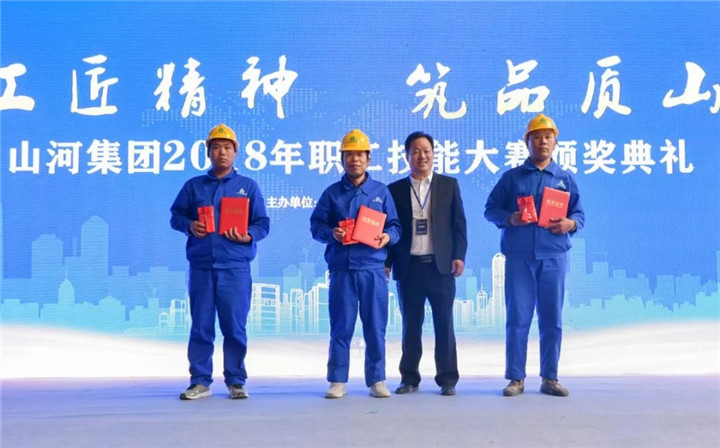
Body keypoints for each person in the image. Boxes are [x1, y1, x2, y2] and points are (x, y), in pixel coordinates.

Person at [484, 113, 584, 397]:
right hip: (519, 258)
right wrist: (510, 218)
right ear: (527, 142)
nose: (542, 142)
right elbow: (491, 209)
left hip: (554, 257)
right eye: (536, 137)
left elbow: (579, 215)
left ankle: (550, 378)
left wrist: (570, 224)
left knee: (552, 320)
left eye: (548, 137)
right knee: (518, 318)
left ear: (555, 142)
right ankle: (516, 378)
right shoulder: (512, 178)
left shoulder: (565, 178)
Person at [170, 123, 270, 400]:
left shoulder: (247, 187)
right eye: (216, 147)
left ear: (235, 153)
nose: (222, 152)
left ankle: (236, 381)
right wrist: (190, 226)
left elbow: (263, 223)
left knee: (234, 327)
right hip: (201, 267)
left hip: (235, 268)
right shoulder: (194, 186)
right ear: (208, 152)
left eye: (227, 147)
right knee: (201, 326)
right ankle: (200, 381)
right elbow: (176, 217)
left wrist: (248, 235)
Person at [310, 129, 401, 399]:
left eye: (359, 154)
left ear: (368, 159)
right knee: (341, 327)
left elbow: (395, 226)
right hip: (343, 270)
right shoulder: (332, 193)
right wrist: (332, 234)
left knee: (375, 328)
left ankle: (377, 379)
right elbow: (316, 226)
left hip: (373, 270)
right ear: (342, 159)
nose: (355, 160)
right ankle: (337, 380)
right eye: (349, 155)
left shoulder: (381, 192)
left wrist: (387, 237)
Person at [385, 131, 468, 396]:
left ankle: (447, 379)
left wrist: (459, 255)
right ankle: (409, 378)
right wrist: (387, 262)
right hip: (409, 267)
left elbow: (459, 224)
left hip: (440, 267)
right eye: (416, 151)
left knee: (445, 325)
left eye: (426, 150)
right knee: (411, 326)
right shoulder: (395, 190)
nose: (422, 156)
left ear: (433, 154)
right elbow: (390, 227)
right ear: (407, 156)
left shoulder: (448, 185)